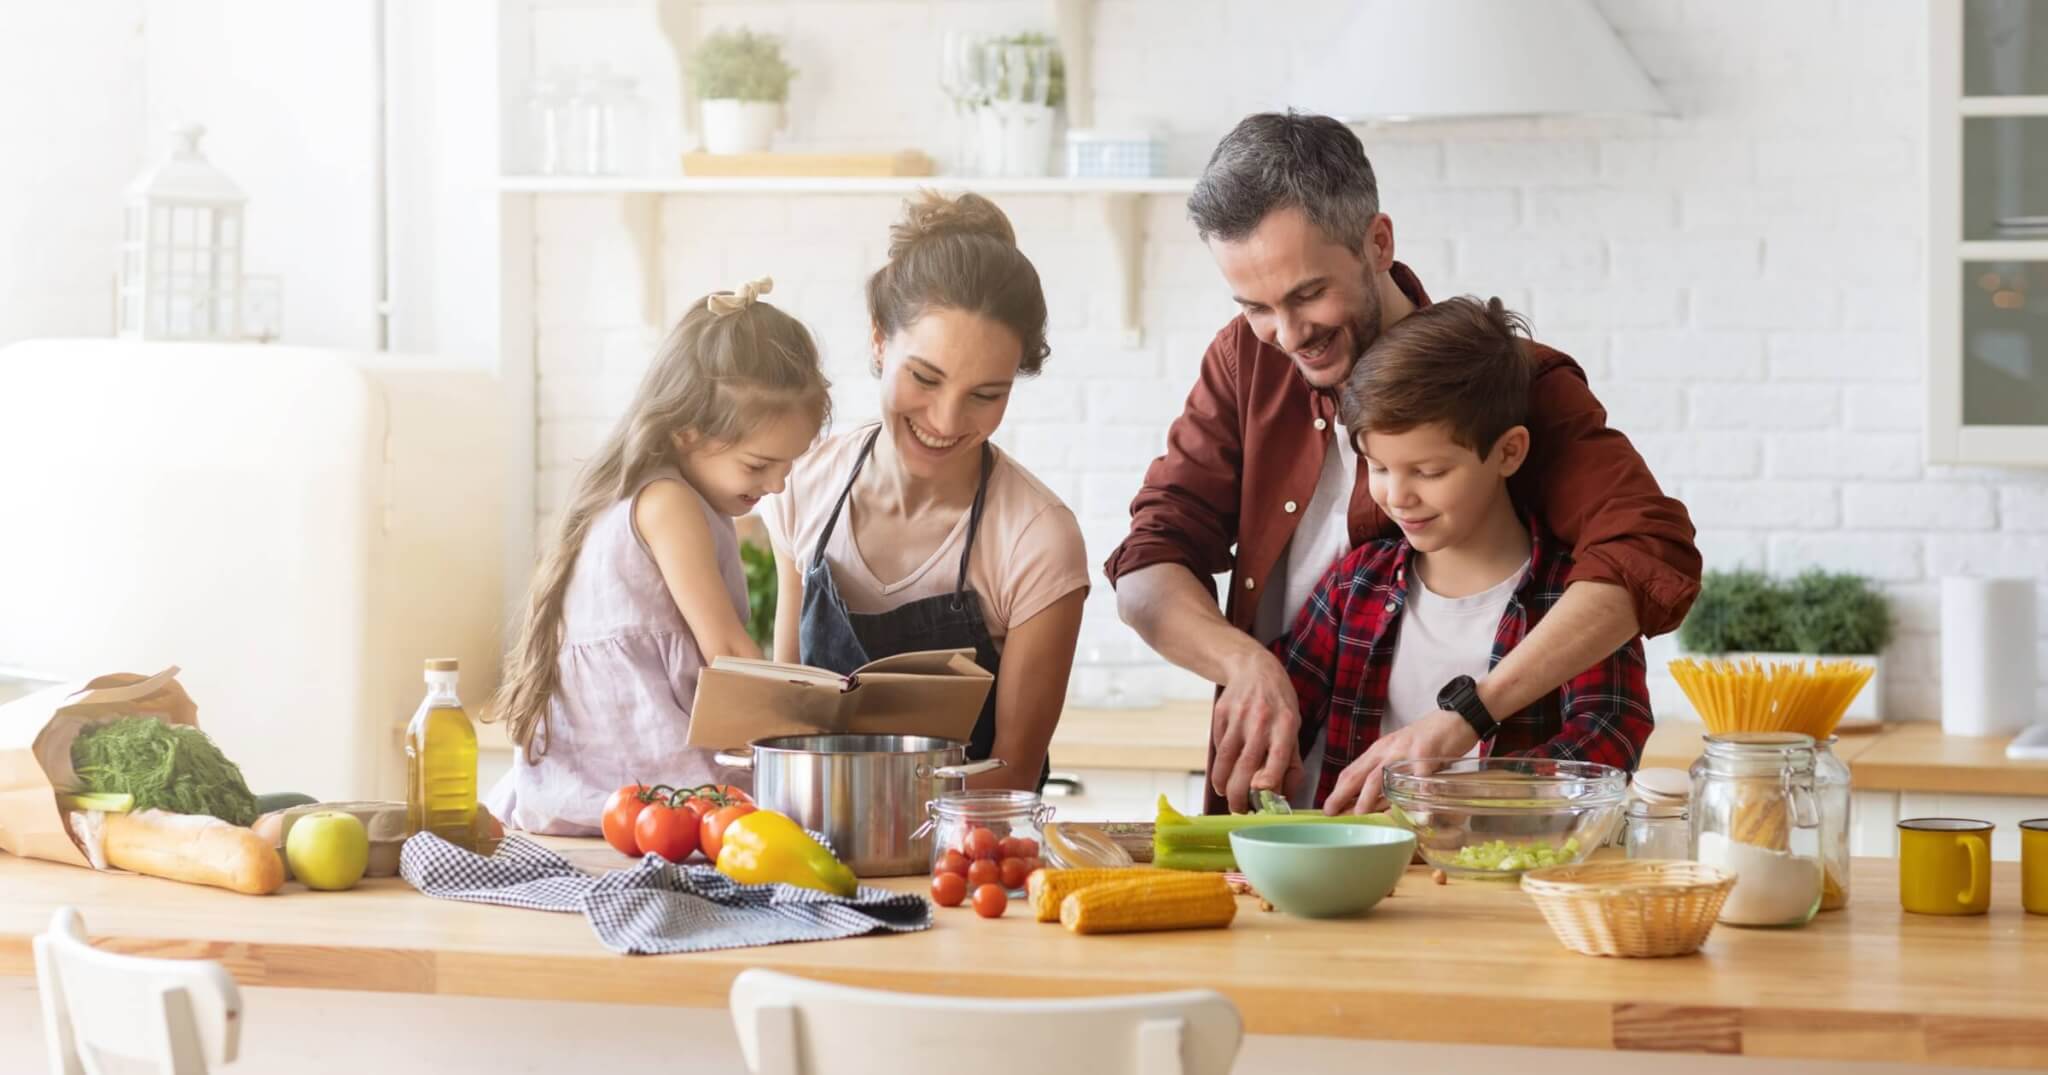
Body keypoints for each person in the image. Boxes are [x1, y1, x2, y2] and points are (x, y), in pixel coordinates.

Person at [1105, 111, 1700, 813]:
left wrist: (1467, 722)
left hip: (1478, 843)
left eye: (1307, 294)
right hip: (1296, 823)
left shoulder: (1507, 383)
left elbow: (1647, 550)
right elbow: (1147, 565)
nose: (1288, 335)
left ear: (1378, 242)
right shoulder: (1246, 360)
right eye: (1255, 306)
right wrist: (1244, 664)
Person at [1274, 296, 1653, 814]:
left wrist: (1456, 797)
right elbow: (1284, 713)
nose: (1397, 496)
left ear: (1508, 452)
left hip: (1505, 878)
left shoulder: (1574, 599)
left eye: (1428, 472)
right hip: (1358, 875)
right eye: (1378, 467)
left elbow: (1608, 738)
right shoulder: (1353, 585)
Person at [763, 192, 1090, 790]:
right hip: (810, 852)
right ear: (880, 341)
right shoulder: (802, 485)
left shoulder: (1037, 538)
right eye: (925, 377)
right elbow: (786, 726)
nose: (945, 420)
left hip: (965, 860)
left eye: (985, 395)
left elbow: (1013, 774)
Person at [485, 279, 830, 834]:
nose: (777, 485)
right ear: (687, 433)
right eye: (758, 465)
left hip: (599, 779)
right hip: (643, 775)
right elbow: (726, 651)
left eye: (788, 466)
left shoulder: (653, 491)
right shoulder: (669, 503)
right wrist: (801, 732)